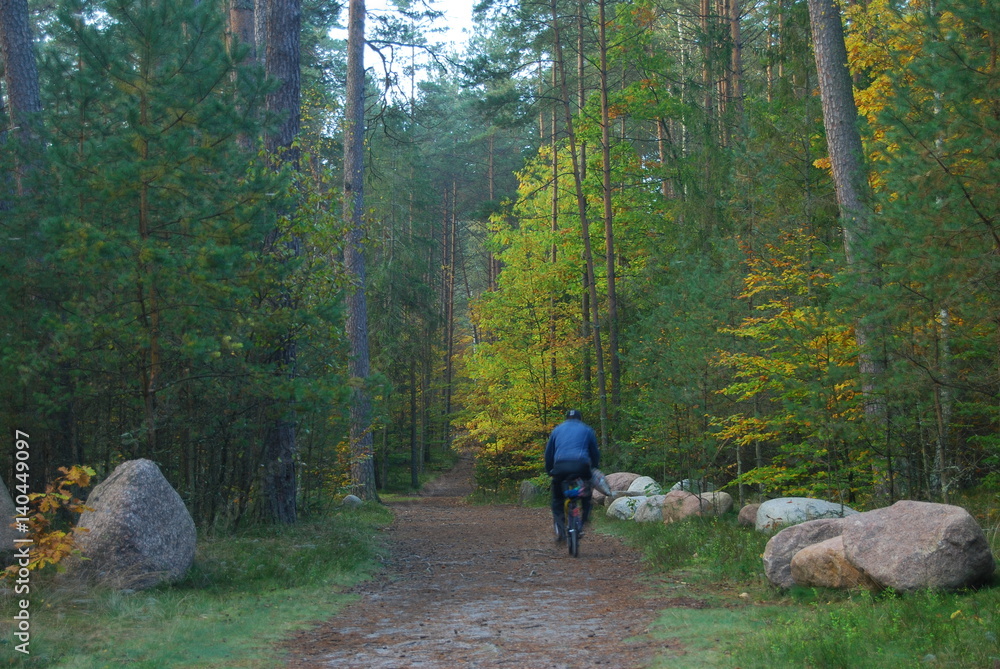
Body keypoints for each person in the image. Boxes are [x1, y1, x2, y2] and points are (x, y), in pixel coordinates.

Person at [544, 409, 600, 542]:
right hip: (581, 465)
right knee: (586, 489)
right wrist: (594, 467)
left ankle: (561, 529)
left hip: (561, 466)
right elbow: (595, 452)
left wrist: (549, 470)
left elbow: (548, 454)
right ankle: (585, 516)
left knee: (557, 498)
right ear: (580, 418)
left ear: (566, 418)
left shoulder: (557, 430)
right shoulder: (587, 429)